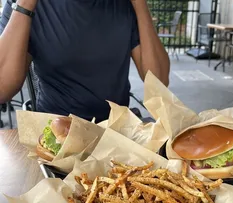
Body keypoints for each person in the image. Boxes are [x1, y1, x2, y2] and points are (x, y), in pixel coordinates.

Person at [0, 0, 170, 122]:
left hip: (117, 131)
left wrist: (140, 6)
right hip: (58, 129)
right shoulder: (26, 5)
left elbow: (159, 80)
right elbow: (2, 89)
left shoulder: (125, 5)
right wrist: (25, 5)